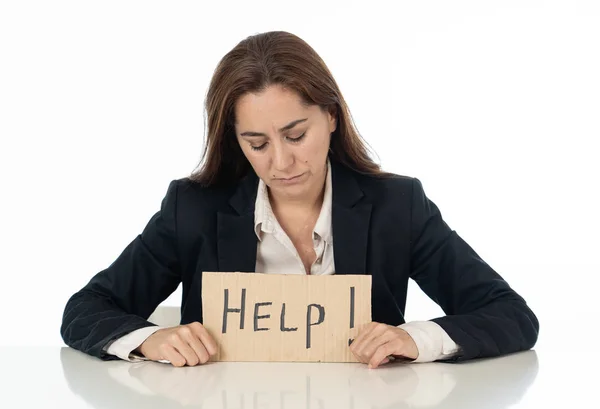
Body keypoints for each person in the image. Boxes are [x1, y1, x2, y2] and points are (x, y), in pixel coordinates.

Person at [60, 31, 539, 369]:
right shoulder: (194, 209)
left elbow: (511, 314)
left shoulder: (399, 205)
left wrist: (415, 338)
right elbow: (86, 308)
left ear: (331, 116)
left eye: (296, 134)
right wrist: (151, 340)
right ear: (235, 141)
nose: (281, 163)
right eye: (257, 143)